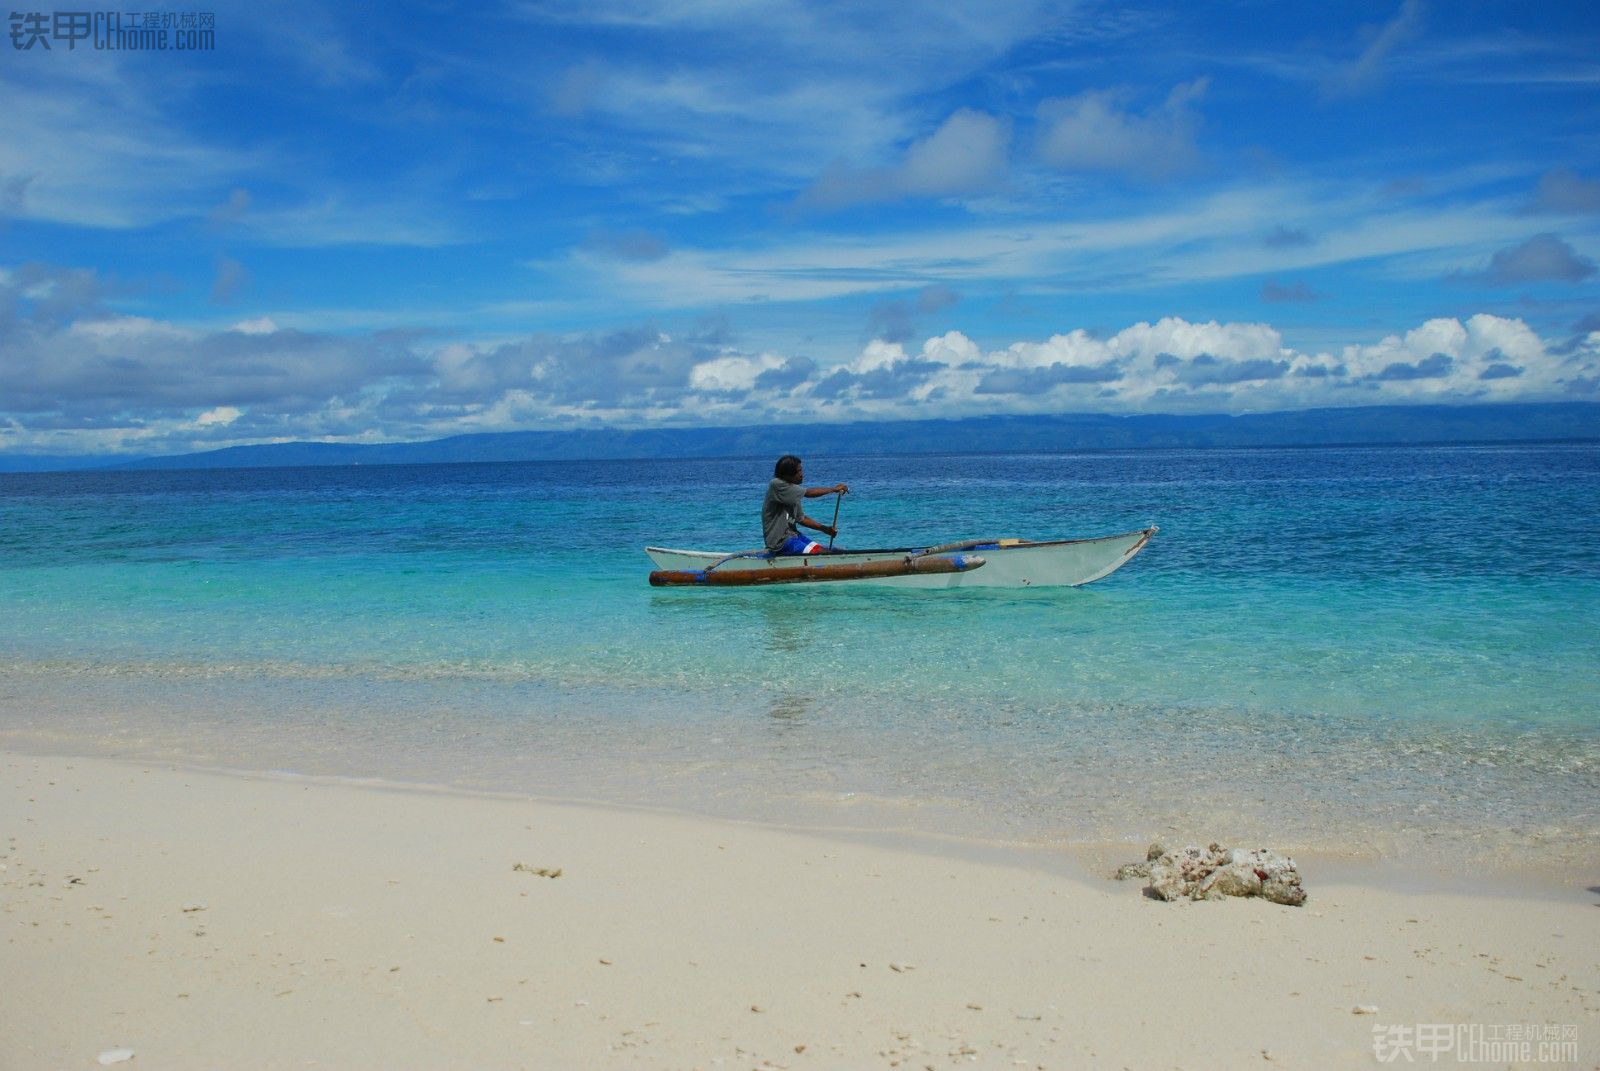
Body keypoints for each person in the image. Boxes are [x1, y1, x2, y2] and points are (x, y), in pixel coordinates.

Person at [762, 454, 848, 554]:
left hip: (794, 535)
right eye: (799, 471)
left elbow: (801, 519)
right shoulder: (776, 484)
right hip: (781, 542)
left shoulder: (793, 491)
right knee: (822, 553)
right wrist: (833, 489)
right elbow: (808, 493)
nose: (802, 474)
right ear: (788, 474)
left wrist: (825, 529)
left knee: (832, 551)